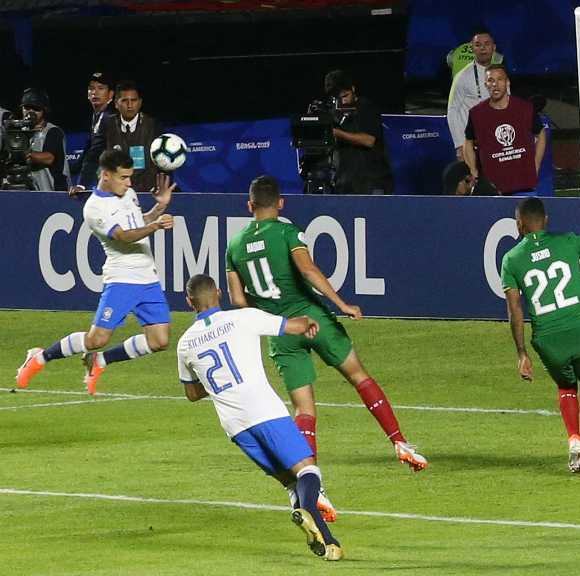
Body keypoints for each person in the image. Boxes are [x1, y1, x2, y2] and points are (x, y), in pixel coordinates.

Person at [224, 175, 428, 519]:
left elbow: (238, 301)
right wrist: (342, 303)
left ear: (249, 206)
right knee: (358, 375)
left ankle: (315, 487)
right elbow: (308, 271)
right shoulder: (287, 232)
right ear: (281, 203)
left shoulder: (234, 246)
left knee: (304, 409)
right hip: (312, 317)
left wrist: (270, 319)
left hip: (280, 330)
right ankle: (399, 442)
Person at [176, 274, 343, 562]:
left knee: (290, 482)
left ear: (189, 302)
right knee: (307, 471)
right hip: (264, 411)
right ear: (219, 293)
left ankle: (328, 544)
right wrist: (309, 321)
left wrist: (219, 380)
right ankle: (313, 518)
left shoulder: (185, 344)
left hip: (235, 426)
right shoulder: (244, 318)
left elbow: (191, 394)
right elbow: (294, 326)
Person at [16, 149, 175, 394]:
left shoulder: (128, 193)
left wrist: (158, 208)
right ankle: (39, 356)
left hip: (148, 278)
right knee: (95, 340)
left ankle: (100, 361)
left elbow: (136, 223)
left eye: (130, 177)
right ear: (106, 175)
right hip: (122, 279)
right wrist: (156, 226)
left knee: (159, 341)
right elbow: (123, 236)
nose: (129, 183)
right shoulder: (94, 208)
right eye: (124, 177)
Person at [500, 198, 580, 478]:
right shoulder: (569, 241)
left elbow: (515, 310)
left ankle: (574, 439)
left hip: (548, 340)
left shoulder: (511, 259)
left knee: (567, 387)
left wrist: (522, 353)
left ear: (519, 225)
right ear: (546, 220)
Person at [463, 64, 546, 196]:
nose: (495, 84)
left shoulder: (525, 108)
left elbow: (541, 133)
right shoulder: (476, 114)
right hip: (492, 190)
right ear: (485, 85)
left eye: (500, 79)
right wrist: (473, 171)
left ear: (507, 82)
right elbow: (468, 142)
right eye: (491, 80)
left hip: (524, 186)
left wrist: (535, 165)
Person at [323, 70, 392, 195]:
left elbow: (369, 140)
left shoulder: (366, 107)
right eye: (338, 98)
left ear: (353, 88)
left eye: (345, 96)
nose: (343, 101)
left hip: (371, 182)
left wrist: (338, 133)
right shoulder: (332, 113)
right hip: (344, 183)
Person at [447, 29, 499, 159]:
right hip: (471, 145)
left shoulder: (501, 75)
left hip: (496, 141)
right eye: (478, 45)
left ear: (494, 47)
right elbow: (452, 111)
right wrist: (459, 145)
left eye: (487, 44)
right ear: (472, 49)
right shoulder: (462, 76)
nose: (483, 48)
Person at [103, 80, 162, 193]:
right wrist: (82, 185)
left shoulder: (154, 126)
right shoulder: (106, 125)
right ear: (116, 104)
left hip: (147, 193)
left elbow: (162, 162)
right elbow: (93, 157)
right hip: (116, 193)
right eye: (124, 100)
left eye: (133, 100)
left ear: (140, 102)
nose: (130, 105)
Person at [72, 72, 117, 190]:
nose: (95, 92)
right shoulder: (97, 115)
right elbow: (90, 147)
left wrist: (81, 185)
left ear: (111, 94)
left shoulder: (109, 117)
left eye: (101, 88)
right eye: (91, 88)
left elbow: (94, 153)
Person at [21, 88, 70, 191]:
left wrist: (23, 154)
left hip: (53, 190)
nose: (30, 112)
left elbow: (49, 158)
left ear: (44, 110)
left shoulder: (53, 131)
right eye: (27, 108)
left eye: (36, 109)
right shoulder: (19, 132)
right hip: (28, 190)